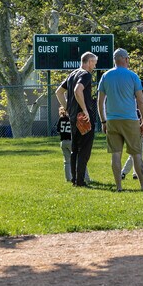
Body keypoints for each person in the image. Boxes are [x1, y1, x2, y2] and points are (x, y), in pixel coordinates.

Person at [97, 48, 143, 192]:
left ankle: (119, 187)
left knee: (116, 154)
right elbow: (141, 101)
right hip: (130, 120)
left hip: (112, 120)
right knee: (136, 153)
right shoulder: (133, 76)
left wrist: (103, 121)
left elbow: (100, 101)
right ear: (126, 59)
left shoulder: (105, 76)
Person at [55, 52, 98, 187]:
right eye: (94, 63)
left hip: (73, 117)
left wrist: (68, 107)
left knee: (75, 150)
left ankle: (75, 179)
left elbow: (58, 92)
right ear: (89, 62)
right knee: (84, 150)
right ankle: (80, 181)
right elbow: (77, 90)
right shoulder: (85, 75)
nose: (94, 66)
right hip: (83, 117)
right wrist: (85, 110)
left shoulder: (72, 74)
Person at [120, 98, 143, 180]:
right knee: (134, 156)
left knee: (139, 156)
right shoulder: (137, 114)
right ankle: (123, 172)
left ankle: (136, 174)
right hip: (135, 137)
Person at [55, 107, 72, 182]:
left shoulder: (61, 119)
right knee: (78, 159)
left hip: (63, 141)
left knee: (66, 161)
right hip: (71, 141)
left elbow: (58, 130)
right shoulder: (71, 118)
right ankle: (85, 177)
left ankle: (68, 178)